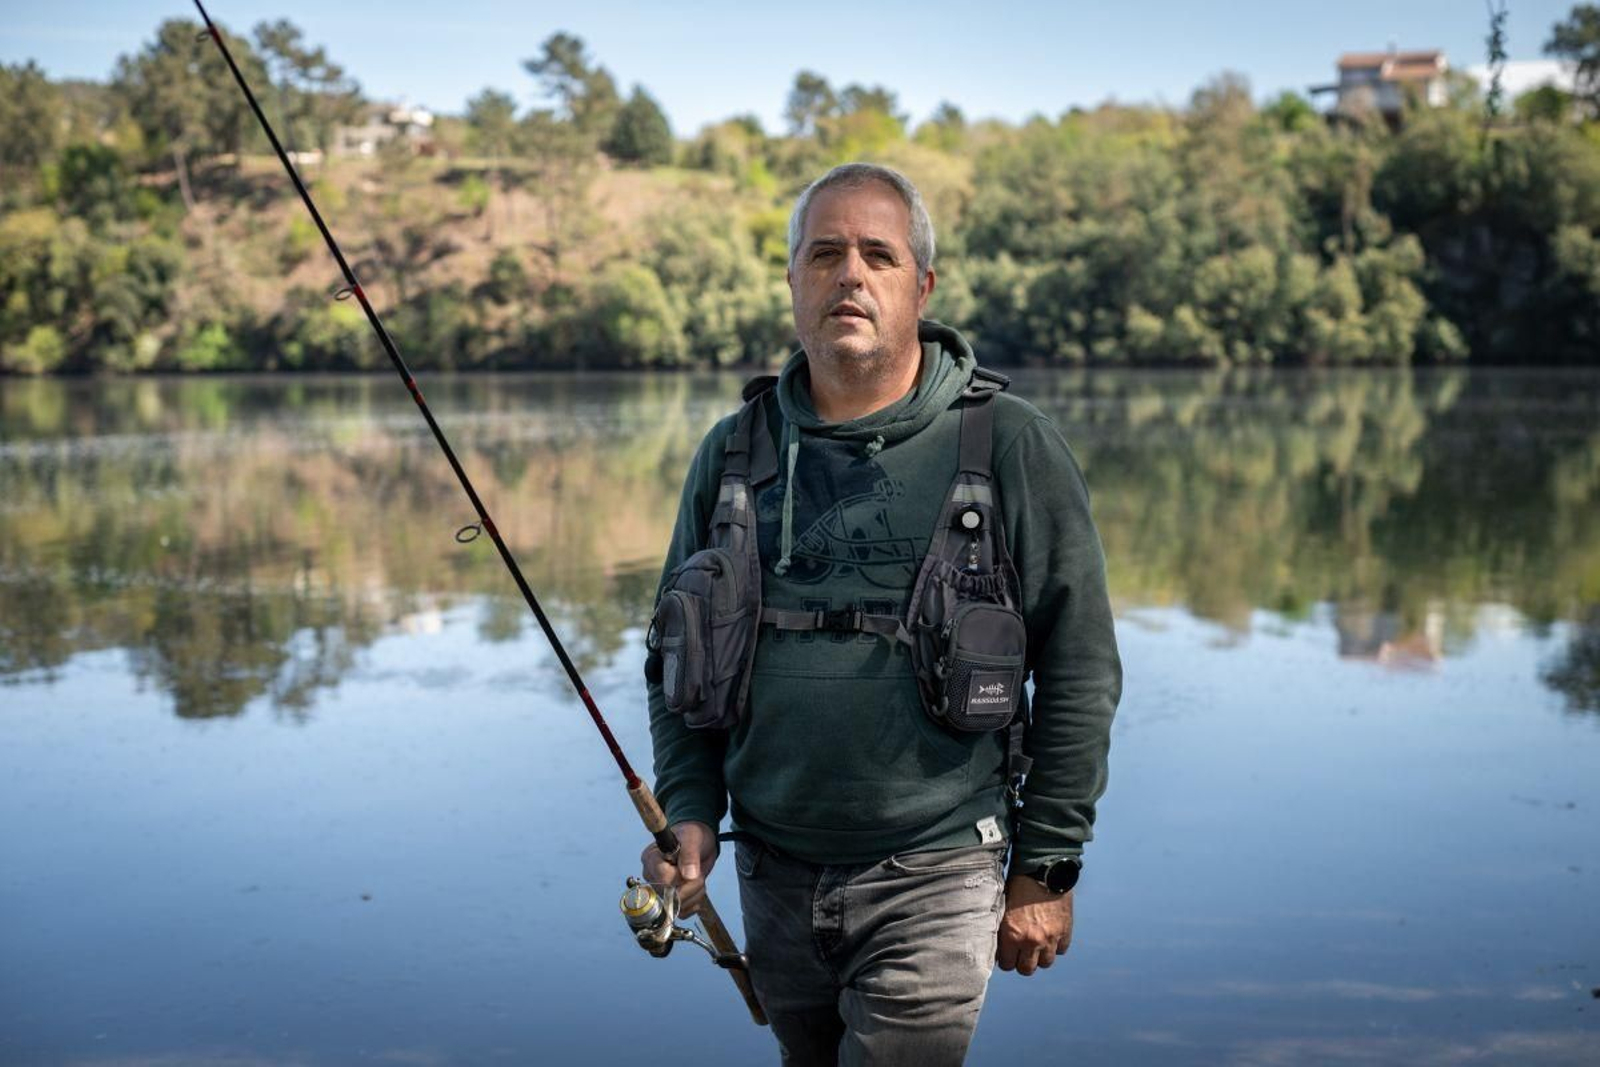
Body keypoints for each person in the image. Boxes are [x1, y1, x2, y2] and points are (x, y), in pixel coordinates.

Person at [640, 162, 1122, 1064]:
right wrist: (691, 811)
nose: (849, 275)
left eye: (877, 255)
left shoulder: (1009, 442)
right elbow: (675, 663)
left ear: (921, 284)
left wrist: (1046, 866)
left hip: (940, 869)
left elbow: (1081, 667)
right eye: (823, 255)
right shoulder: (734, 451)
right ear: (793, 282)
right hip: (770, 871)